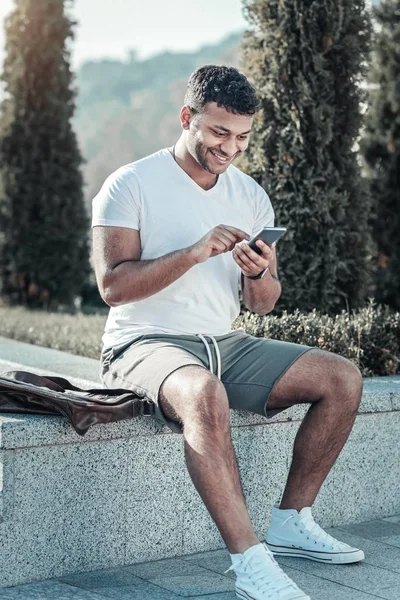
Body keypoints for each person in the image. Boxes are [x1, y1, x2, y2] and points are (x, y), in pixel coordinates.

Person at [91, 65, 365, 600]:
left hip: (225, 342)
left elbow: (262, 305)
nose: (230, 148)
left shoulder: (250, 195)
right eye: (219, 133)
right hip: (143, 342)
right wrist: (195, 252)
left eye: (242, 137)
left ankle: (291, 522)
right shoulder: (129, 184)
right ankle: (250, 563)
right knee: (204, 393)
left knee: (342, 379)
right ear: (187, 117)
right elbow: (113, 287)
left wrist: (258, 271)